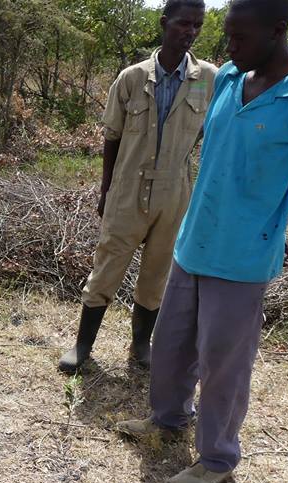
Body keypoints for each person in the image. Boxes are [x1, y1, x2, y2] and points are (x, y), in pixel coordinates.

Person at [117, 0, 288, 483]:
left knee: (223, 361)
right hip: (195, 237)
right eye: (228, 36)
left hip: (242, 254)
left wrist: (259, 214)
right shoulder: (232, 75)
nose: (228, 48)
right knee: (171, 344)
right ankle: (166, 419)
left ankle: (216, 458)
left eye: (240, 37)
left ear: (278, 31)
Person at [59, 0, 217, 373]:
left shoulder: (209, 78)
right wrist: (106, 190)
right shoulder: (132, 77)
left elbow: (209, 136)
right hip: (128, 189)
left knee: (157, 273)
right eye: (182, 24)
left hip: (175, 192)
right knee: (108, 267)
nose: (190, 32)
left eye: (197, 25)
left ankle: (140, 346)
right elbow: (111, 137)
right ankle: (83, 346)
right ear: (164, 23)